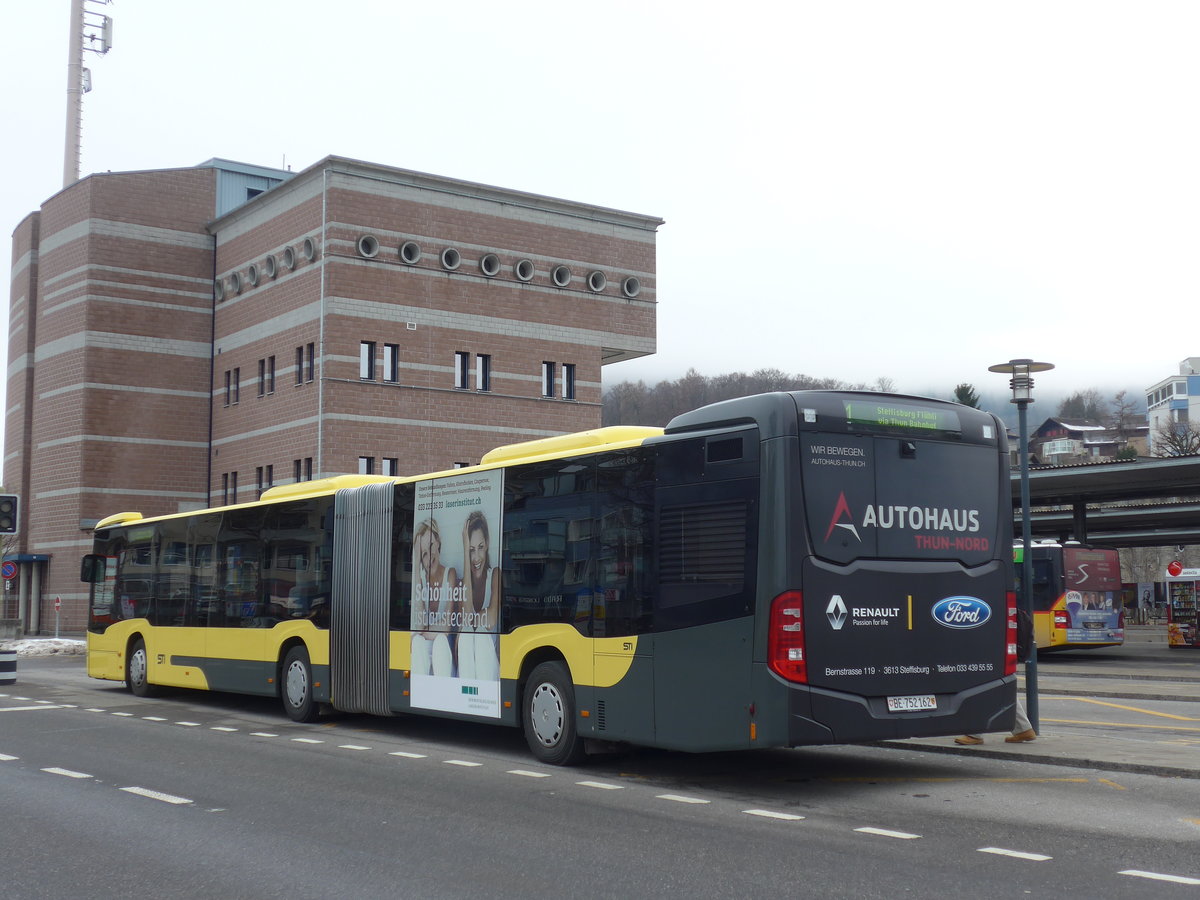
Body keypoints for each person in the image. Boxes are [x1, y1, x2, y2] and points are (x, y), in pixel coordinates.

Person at [954, 604, 1036, 745]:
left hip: (992, 649)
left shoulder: (988, 600)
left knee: (980, 687)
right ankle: (1023, 729)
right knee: (1000, 689)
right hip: (999, 648)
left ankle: (974, 734)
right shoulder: (997, 596)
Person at [456, 510, 501, 681]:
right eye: (471, 550)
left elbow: (490, 620)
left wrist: (472, 620)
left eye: (480, 547)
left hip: (489, 670)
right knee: (467, 633)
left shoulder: (495, 574)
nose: (476, 558)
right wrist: (465, 554)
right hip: (469, 669)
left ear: (488, 543)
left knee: (480, 634)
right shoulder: (463, 583)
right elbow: (467, 617)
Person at [410, 518, 457, 677]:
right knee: (417, 642)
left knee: (440, 642)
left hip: (443, 649)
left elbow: (447, 627)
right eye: (423, 554)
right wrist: (416, 567)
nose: (429, 556)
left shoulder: (450, 574)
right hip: (425, 651)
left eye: (430, 546)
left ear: (438, 542)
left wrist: (421, 633)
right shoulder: (420, 580)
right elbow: (419, 623)